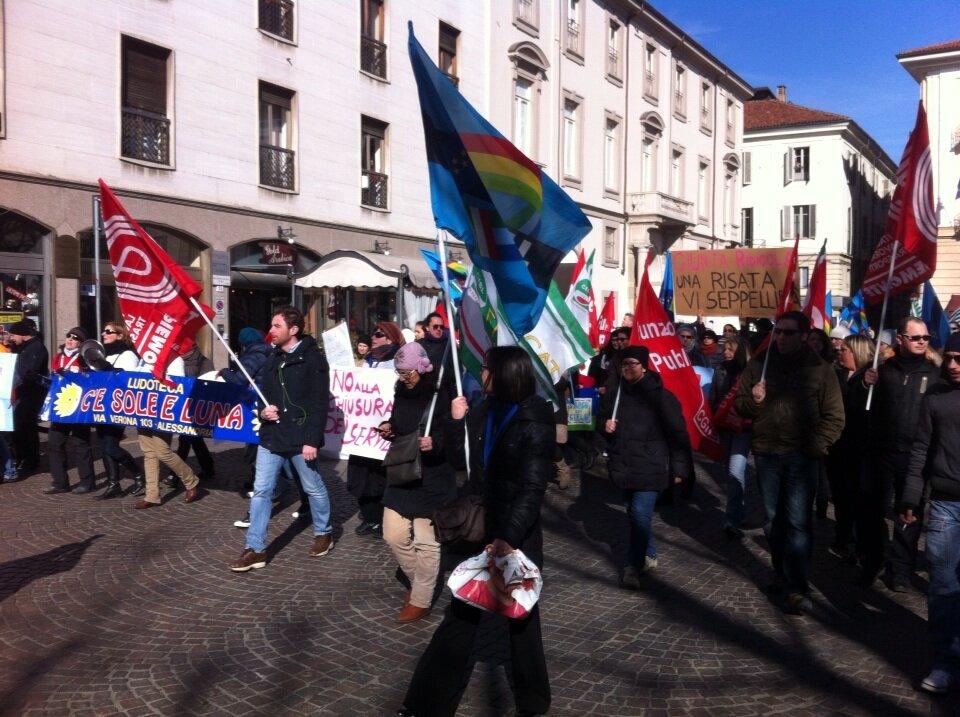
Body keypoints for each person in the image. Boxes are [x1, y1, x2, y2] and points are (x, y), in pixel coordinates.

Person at [398, 346, 553, 717]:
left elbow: (533, 489)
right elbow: (459, 461)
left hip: (516, 535)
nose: (480, 373)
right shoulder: (484, 408)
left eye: (485, 368)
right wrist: (454, 422)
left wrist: (508, 538)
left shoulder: (535, 419)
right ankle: (427, 703)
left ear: (503, 372)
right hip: (481, 529)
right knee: (461, 614)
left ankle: (533, 702)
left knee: (521, 622)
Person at [734, 311, 845, 615]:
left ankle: (797, 584)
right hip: (767, 453)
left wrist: (815, 447)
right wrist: (753, 400)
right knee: (772, 519)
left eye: (788, 333)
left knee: (797, 520)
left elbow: (835, 416)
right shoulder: (760, 364)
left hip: (801, 456)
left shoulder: (821, 370)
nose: (781, 337)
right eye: (778, 332)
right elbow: (740, 403)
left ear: (804, 335)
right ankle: (780, 571)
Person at [229, 306, 334, 571]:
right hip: (272, 435)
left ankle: (324, 532)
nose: (271, 331)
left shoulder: (314, 359)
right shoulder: (272, 357)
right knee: (262, 491)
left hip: (301, 436)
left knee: (312, 487)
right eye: (272, 326)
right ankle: (256, 548)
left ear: (293, 330)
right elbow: (265, 394)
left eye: (276, 326)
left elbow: (320, 403)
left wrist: (312, 439)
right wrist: (263, 412)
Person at [857, 317, 942, 591]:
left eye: (925, 338)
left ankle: (900, 569)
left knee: (910, 513)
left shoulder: (935, 374)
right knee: (872, 510)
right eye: (915, 337)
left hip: (915, 455)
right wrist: (863, 384)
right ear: (901, 339)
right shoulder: (882, 370)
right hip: (881, 452)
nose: (921, 342)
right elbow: (857, 406)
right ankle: (874, 559)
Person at [598, 345, 691, 588]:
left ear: (645, 366)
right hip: (624, 464)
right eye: (624, 364)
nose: (627, 368)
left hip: (651, 465)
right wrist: (604, 427)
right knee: (633, 512)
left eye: (633, 364)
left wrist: (679, 469)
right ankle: (649, 553)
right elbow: (601, 421)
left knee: (640, 514)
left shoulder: (661, 397)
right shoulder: (615, 395)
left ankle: (632, 566)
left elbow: (677, 434)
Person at [899, 332, 960, 694]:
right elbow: (920, 447)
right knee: (942, 584)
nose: (952, 365)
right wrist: (911, 498)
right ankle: (946, 660)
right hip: (944, 503)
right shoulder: (935, 396)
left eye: (959, 358)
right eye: (949, 358)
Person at [378, 343, 456, 623]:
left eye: (407, 373)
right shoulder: (401, 391)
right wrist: (390, 427)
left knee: (427, 541)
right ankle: (422, 583)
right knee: (393, 534)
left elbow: (455, 434)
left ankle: (421, 599)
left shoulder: (441, 394)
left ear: (421, 370)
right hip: (403, 472)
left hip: (432, 476)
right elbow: (401, 424)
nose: (403, 378)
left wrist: (435, 443)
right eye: (399, 372)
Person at [348, 321, 405, 537]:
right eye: (373, 333)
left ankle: (379, 518)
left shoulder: (397, 362)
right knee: (359, 475)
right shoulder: (367, 361)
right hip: (362, 433)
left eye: (379, 334)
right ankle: (370, 515)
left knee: (379, 478)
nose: (374, 337)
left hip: (384, 432)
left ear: (391, 339)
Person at [134, 351, 206, 509]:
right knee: (148, 452)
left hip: (161, 412)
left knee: (162, 451)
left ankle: (191, 480)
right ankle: (152, 495)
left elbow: (178, 386)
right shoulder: (143, 358)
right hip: (142, 410)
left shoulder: (174, 359)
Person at [825, 334, 875, 560]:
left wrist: (865, 385)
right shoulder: (836, 374)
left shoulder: (871, 377)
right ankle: (843, 535)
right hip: (837, 446)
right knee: (840, 495)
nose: (839, 351)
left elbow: (858, 407)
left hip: (862, 448)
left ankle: (859, 542)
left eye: (844, 349)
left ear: (856, 352)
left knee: (858, 497)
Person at [93, 322, 144, 499]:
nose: (103, 333)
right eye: (104, 330)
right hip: (101, 404)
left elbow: (131, 381)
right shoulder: (103, 354)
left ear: (120, 335)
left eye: (108, 331)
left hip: (118, 406)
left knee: (111, 446)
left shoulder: (128, 355)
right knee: (104, 446)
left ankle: (137, 473)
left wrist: (110, 369)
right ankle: (113, 484)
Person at [709, 335, 752, 537]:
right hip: (724, 428)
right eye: (724, 349)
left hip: (742, 429)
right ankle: (739, 509)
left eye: (730, 349)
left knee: (736, 471)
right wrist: (720, 411)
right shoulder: (720, 371)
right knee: (729, 472)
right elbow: (713, 399)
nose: (726, 352)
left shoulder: (749, 373)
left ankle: (731, 519)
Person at [45, 327, 96, 494]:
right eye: (69, 337)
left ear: (80, 343)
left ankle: (87, 481)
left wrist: (84, 370)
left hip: (79, 405)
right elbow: (53, 379)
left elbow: (91, 381)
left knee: (81, 443)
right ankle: (60, 482)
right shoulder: (58, 357)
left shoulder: (84, 357)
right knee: (55, 444)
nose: (70, 340)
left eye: (75, 339)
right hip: (61, 404)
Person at [8, 320, 49, 475]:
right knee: (19, 427)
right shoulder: (24, 347)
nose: (11, 337)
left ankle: (31, 460)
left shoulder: (35, 348)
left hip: (31, 394)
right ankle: (22, 457)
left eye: (13, 334)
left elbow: (28, 370)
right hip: (23, 392)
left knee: (26, 427)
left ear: (22, 334)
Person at [174, 344, 216, 483]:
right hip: (182, 406)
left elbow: (209, 385)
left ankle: (175, 475)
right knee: (195, 440)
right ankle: (208, 467)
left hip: (195, 407)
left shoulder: (204, 362)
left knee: (185, 440)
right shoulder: (176, 360)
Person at [587, 327, 630, 395]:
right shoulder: (604, 356)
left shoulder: (628, 354)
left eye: (621, 340)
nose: (617, 342)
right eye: (613, 340)